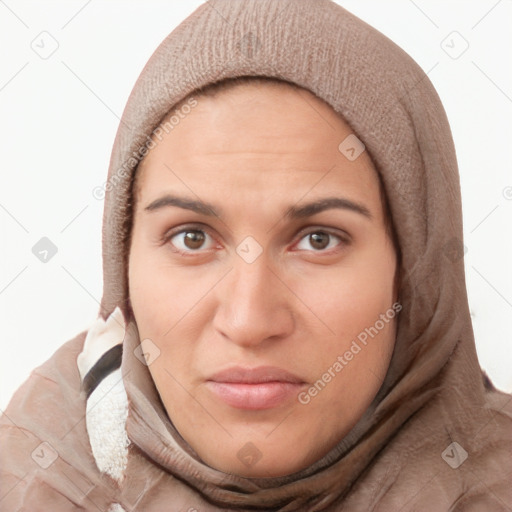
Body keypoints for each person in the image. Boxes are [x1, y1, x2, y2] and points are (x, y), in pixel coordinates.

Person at [1, 0, 511, 510]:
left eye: (318, 239)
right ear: (124, 267)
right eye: (192, 238)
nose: (248, 322)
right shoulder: (31, 482)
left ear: (414, 276)